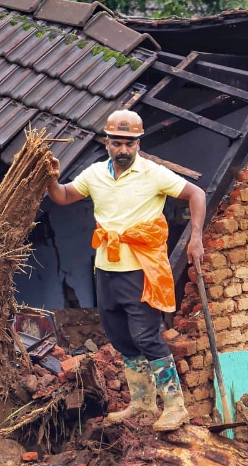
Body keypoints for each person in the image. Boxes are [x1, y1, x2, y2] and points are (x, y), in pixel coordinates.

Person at [47, 110, 206, 431]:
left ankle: (175, 406)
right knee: (121, 336)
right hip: (106, 268)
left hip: (142, 269)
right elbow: (64, 196)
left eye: (129, 143)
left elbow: (196, 194)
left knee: (147, 336)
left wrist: (196, 238)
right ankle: (143, 402)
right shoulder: (94, 175)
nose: (123, 149)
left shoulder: (153, 173)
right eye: (117, 143)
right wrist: (49, 178)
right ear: (107, 142)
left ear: (138, 143)